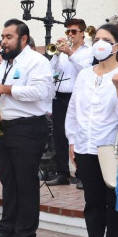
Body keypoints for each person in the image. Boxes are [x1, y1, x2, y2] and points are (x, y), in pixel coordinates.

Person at [0, 19, 53, 237]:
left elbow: (41, 91)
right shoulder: (4, 64)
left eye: (9, 37)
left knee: (26, 183)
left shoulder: (36, 61)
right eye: (3, 37)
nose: (4, 42)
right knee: (8, 181)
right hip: (5, 128)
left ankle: (27, 235)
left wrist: (5, 89)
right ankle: (7, 227)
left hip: (28, 128)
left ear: (24, 39)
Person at [66, 24, 118, 237]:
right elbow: (74, 109)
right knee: (92, 200)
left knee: (114, 202)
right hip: (85, 145)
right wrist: (72, 140)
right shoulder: (85, 74)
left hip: (112, 148)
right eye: (96, 39)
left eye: (106, 39)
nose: (100, 43)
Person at [47, 18, 93, 186]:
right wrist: (57, 55)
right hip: (59, 97)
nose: (70, 35)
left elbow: (86, 71)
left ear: (82, 33)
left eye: (73, 32)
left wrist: (70, 54)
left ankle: (81, 175)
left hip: (77, 97)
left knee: (78, 136)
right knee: (59, 137)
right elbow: (53, 71)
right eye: (68, 32)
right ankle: (62, 174)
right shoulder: (63, 52)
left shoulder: (89, 51)